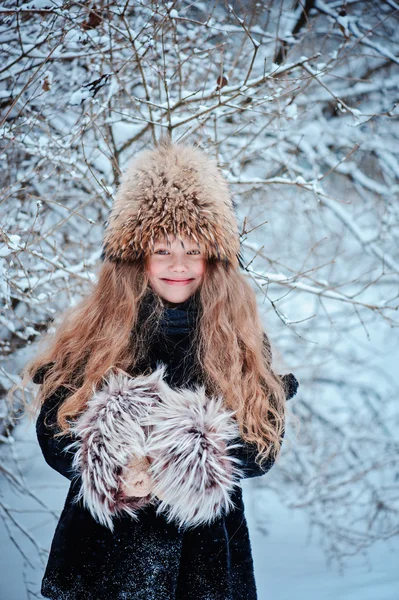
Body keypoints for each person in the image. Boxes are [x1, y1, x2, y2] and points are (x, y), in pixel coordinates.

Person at [22, 138, 299, 599]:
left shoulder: (238, 342)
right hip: (104, 566)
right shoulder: (96, 334)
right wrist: (115, 459)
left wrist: (174, 463)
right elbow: (55, 431)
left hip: (205, 569)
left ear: (215, 261)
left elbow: (262, 445)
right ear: (135, 258)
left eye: (193, 251)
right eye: (162, 250)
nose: (179, 266)